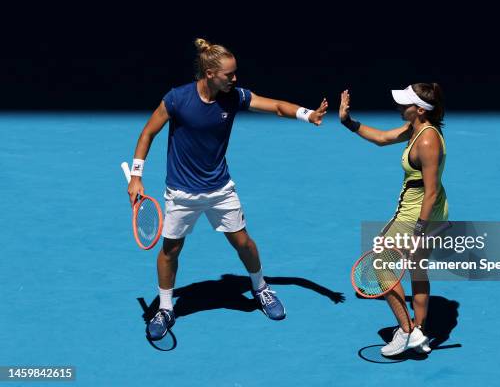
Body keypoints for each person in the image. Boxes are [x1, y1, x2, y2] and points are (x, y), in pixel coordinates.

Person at [128, 38, 328, 340]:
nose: (235, 79)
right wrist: (136, 176)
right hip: (181, 193)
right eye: (229, 75)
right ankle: (166, 307)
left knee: (244, 243)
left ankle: (260, 288)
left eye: (235, 74)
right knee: (170, 250)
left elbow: (274, 106)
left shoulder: (234, 97)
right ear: (209, 73)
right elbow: (148, 132)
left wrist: (307, 114)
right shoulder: (177, 99)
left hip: (220, 189)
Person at [339, 84, 448, 356]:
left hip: (417, 216)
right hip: (432, 215)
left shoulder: (425, 141)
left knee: (381, 265)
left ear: (420, 110)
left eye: (404, 104)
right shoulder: (418, 129)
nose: (399, 107)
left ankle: (407, 330)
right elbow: (382, 138)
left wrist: (418, 231)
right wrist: (348, 122)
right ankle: (419, 333)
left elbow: (431, 191)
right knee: (417, 272)